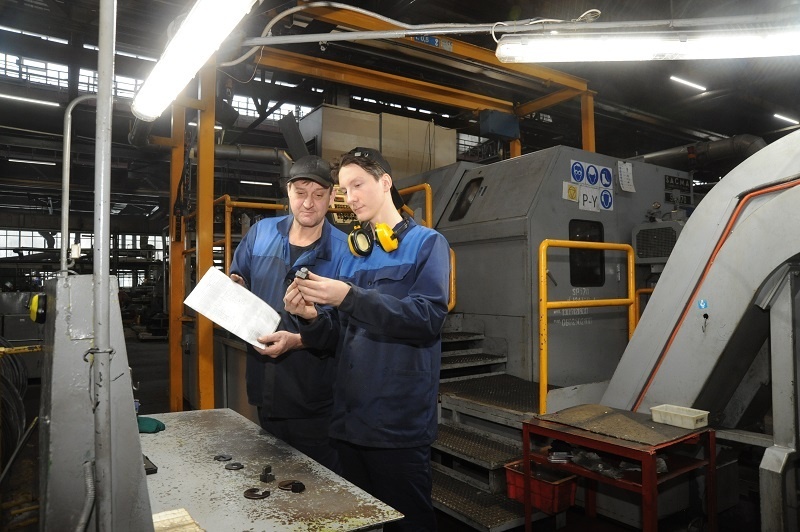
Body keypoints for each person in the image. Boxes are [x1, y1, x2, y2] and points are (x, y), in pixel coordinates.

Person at [284, 147, 450, 532]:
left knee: (408, 524)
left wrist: (351, 297)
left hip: (396, 424)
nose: (350, 197)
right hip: (349, 421)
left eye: (357, 185)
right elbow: (333, 336)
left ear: (385, 182)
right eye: (344, 190)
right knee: (359, 522)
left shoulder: (427, 244)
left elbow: (427, 318)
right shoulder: (352, 255)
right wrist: (309, 318)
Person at [229, 154, 348, 473]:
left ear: (332, 197)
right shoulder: (261, 233)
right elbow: (239, 280)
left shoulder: (345, 250)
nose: (308, 203)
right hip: (264, 387)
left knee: (319, 483)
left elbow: (348, 329)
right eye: (300, 193)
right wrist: (236, 287)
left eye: (318, 194)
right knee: (274, 477)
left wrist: (298, 340)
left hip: (315, 396)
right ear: (288, 192)